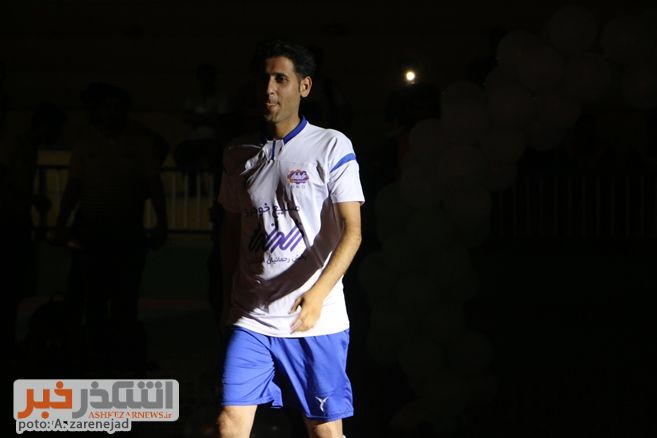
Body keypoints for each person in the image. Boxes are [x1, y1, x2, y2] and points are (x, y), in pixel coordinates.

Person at [216, 40, 364, 438]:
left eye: (281, 79)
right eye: (264, 80)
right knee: (229, 421)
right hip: (250, 316)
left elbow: (352, 231)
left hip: (314, 322)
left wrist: (317, 295)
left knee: (324, 430)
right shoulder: (237, 154)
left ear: (304, 86)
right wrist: (226, 295)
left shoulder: (331, 145)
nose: (269, 89)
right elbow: (231, 231)